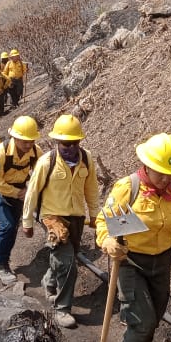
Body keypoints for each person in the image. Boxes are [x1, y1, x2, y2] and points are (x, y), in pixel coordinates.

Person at [95, 133, 171, 342]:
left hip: (161, 262)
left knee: (156, 315)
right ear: (147, 166)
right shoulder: (127, 188)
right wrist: (108, 243)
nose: (166, 179)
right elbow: (103, 223)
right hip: (129, 262)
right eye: (161, 172)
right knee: (143, 318)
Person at [22, 114, 99, 328]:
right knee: (68, 264)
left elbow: (91, 189)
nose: (70, 148)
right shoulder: (47, 161)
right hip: (53, 218)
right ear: (57, 141)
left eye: (74, 143)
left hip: (77, 218)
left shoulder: (87, 159)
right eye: (65, 143)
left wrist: (94, 214)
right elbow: (32, 192)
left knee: (66, 258)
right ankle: (62, 308)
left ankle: (50, 279)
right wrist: (27, 222)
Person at [0, 115, 42, 284]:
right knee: (7, 225)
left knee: (13, 227)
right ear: (14, 137)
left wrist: (30, 189)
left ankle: (5, 258)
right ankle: (1, 264)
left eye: (31, 140)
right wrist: (19, 193)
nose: (28, 144)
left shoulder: (36, 152)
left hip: (21, 188)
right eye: (24, 141)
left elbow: (41, 174)